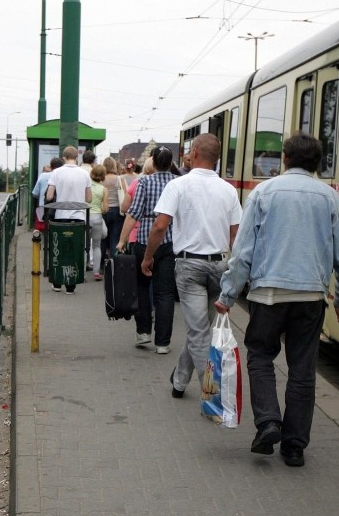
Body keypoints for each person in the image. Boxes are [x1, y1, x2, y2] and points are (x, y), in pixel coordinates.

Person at [214, 132, 339, 468]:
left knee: (261, 355)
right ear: (317, 163)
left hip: (267, 295)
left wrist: (228, 293)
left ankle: (267, 423)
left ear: (286, 158)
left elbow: (243, 252)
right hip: (310, 296)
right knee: (303, 369)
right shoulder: (330, 198)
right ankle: (294, 447)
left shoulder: (264, 193)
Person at [140, 134, 242, 401]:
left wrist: (148, 257)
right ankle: (179, 380)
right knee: (201, 331)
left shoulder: (179, 185)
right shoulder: (228, 190)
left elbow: (160, 226)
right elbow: (236, 237)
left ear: (194, 152)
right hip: (220, 266)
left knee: (198, 333)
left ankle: (213, 395)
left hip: (189, 266)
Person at [116, 147, 176, 354]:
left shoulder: (143, 182)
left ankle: (143, 332)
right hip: (170, 241)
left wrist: (122, 240)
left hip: (143, 240)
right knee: (165, 292)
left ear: (154, 162)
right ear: (170, 162)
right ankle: (163, 342)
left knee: (142, 288)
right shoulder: (178, 183)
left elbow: (133, 213)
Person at [46, 146, 92, 293]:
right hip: (78, 217)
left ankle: (58, 282)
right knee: (75, 249)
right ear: (76, 157)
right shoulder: (84, 174)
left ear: (64, 157)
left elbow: (49, 196)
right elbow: (89, 198)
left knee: (58, 248)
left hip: (61, 216)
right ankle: (71, 285)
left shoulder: (56, 172)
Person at [100, 156, 127, 272]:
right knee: (115, 238)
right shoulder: (120, 179)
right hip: (117, 211)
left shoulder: (100, 179)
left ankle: (101, 265)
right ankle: (113, 265)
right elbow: (126, 195)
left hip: (103, 210)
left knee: (102, 239)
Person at [88, 164, 109, 281]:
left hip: (85, 216)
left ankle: (82, 272)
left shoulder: (86, 186)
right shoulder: (103, 189)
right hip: (97, 218)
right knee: (96, 246)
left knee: (84, 246)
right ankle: (96, 272)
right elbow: (105, 208)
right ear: (102, 176)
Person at [32, 158, 63, 229]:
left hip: (44, 206)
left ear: (51, 167)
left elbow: (35, 193)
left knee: (44, 228)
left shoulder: (43, 175)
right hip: (60, 208)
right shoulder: (64, 176)